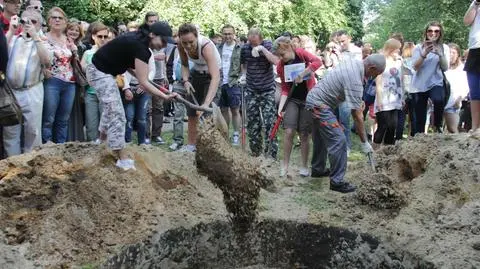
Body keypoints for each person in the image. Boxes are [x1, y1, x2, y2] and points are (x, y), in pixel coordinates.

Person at [87, 22, 177, 170]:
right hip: (99, 73)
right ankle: (122, 159)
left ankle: (101, 141)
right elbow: (144, 82)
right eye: (163, 41)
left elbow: (132, 68)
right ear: (153, 35)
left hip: (103, 71)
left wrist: (163, 91)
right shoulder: (141, 48)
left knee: (111, 108)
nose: (164, 45)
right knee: (117, 113)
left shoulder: (137, 39)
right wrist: (164, 96)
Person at [306, 54, 386, 193]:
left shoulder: (353, 63)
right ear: (371, 67)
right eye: (376, 74)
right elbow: (357, 116)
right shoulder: (355, 78)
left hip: (314, 100)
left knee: (320, 137)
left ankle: (318, 169)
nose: (374, 77)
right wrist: (364, 142)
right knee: (339, 140)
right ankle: (337, 181)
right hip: (320, 105)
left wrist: (355, 99)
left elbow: (344, 91)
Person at [272, 36, 322, 177]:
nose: (281, 58)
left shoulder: (301, 54)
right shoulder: (281, 66)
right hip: (292, 100)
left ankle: (304, 166)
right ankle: (285, 165)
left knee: (304, 134)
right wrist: (281, 109)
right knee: (288, 131)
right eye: (279, 56)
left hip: (308, 99)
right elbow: (285, 89)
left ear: (287, 47)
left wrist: (303, 73)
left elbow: (318, 62)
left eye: (282, 54)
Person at [3, 9, 50, 156]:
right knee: (10, 131)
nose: (28, 24)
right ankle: (13, 168)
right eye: (25, 21)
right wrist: (11, 30)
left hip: (32, 90)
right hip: (11, 91)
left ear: (40, 25)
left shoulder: (44, 41)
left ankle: (31, 165)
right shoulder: (13, 39)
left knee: (33, 131)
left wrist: (36, 36)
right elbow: (1, 49)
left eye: (33, 21)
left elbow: (47, 60)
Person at [177, 23, 221, 152]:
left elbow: (215, 77)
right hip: (196, 74)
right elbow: (184, 65)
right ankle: (191, 145)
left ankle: (210, 148)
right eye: (185, 43)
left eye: (191, 42)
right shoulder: (180, 45)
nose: (188, 46)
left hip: (212, 75)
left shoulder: (206, 46)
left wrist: (206, 103)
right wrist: (185, 81)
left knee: (208, 112)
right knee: (192, 111)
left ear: (197, 37)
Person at [240, 27, 280, 158]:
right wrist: (244, 75)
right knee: (253, 123)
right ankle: (256, 153)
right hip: (251, 89)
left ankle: (271, 154)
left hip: (267, 89)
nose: (253, 45)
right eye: (251, 42)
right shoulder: (245, 48)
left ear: (261, 39)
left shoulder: (268, 45)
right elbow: (244, 64)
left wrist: (262, 50)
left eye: (255, 42)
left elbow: (276, 61)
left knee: (270, 122)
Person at [42, 7, 77, 144]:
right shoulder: (43, 37)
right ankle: (47, 149)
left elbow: (74, 60)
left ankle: (61, 149)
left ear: (65, 22)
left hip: (70, 83)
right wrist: (42, 69)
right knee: (48, 119)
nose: (57, 20)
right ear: (49, 21)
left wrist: (75, 51)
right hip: (52, 82)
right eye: (54, 17)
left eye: (60, 18)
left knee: (63, 120)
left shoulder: (68, 39)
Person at [411, 21, 449, 134]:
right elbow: (415, 67)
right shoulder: (418, 47)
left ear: (440, 33)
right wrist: (424, 54)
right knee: (420, 118)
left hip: (435, 82)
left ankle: (437, 125)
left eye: (436, 31)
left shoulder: (444, 47)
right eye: (430, 31)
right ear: (426, 32)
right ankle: (419, 139)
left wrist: (440, 54)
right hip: (419, 85)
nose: (433, 33)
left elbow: (445, 68)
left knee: (438, 100)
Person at [80, 22, 109, 142]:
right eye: (99, 36)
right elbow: (82, 69)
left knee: (105, 127)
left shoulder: (110, 52)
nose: (102, 39)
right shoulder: (88, 53)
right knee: (91, 127)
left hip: (106, 94)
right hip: (91, 93)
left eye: (105, 37)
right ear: (93, 36)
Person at [373, 39, 403, 147]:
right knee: (383, 126)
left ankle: (387, 154)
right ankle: (374, 154)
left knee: (392, 127)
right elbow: (378, 82)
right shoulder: (381, 61)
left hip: (395, 98)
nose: (398, 51)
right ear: (390, 49)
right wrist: (380, 100)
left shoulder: (399, 62)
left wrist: (402, 97)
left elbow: (401, 80)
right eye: (396, 49)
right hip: (384, 98)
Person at [218, 24, 242, 145]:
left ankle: (236, 134)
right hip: (221, 82)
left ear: (234, 34)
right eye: (225, 33)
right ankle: (226, 133)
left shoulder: (239, 48)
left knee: (235, 110)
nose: (227, 36)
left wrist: (241, 78)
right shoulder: (218, 48)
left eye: (229, 33)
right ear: (222, 35)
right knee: (223, 109)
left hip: (234, 82)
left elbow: (244, 65)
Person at [66, 20, 86, 142]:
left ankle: (75, 138)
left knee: (76, 110)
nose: (73, 32)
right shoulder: (61, 44)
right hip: (64, 80)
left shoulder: (81, 47)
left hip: (76, 83)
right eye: (71, 29)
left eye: (76, 30)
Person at [464, 0, 480, 138]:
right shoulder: (475, 4)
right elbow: (467, 21)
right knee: (474, 91)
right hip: (475, 50)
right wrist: (476, 3)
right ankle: (475, 127)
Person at [444, 43, 469, 133]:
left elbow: (466, 86)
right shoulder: (442, 67)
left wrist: (460, 98)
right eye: (449, 52)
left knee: (452, 129)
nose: (450, 55)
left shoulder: (462, 69)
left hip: (453, 102)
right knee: (438, 129)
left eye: (453, 52)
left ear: (458, 54)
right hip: (440, 101)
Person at [402, 42, 417, 137]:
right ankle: (412, 136)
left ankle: (398, 135)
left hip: (403, 91)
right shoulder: (416, 61)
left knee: (401, 115)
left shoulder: (402, 61)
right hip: (415, 90)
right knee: (414, 116)